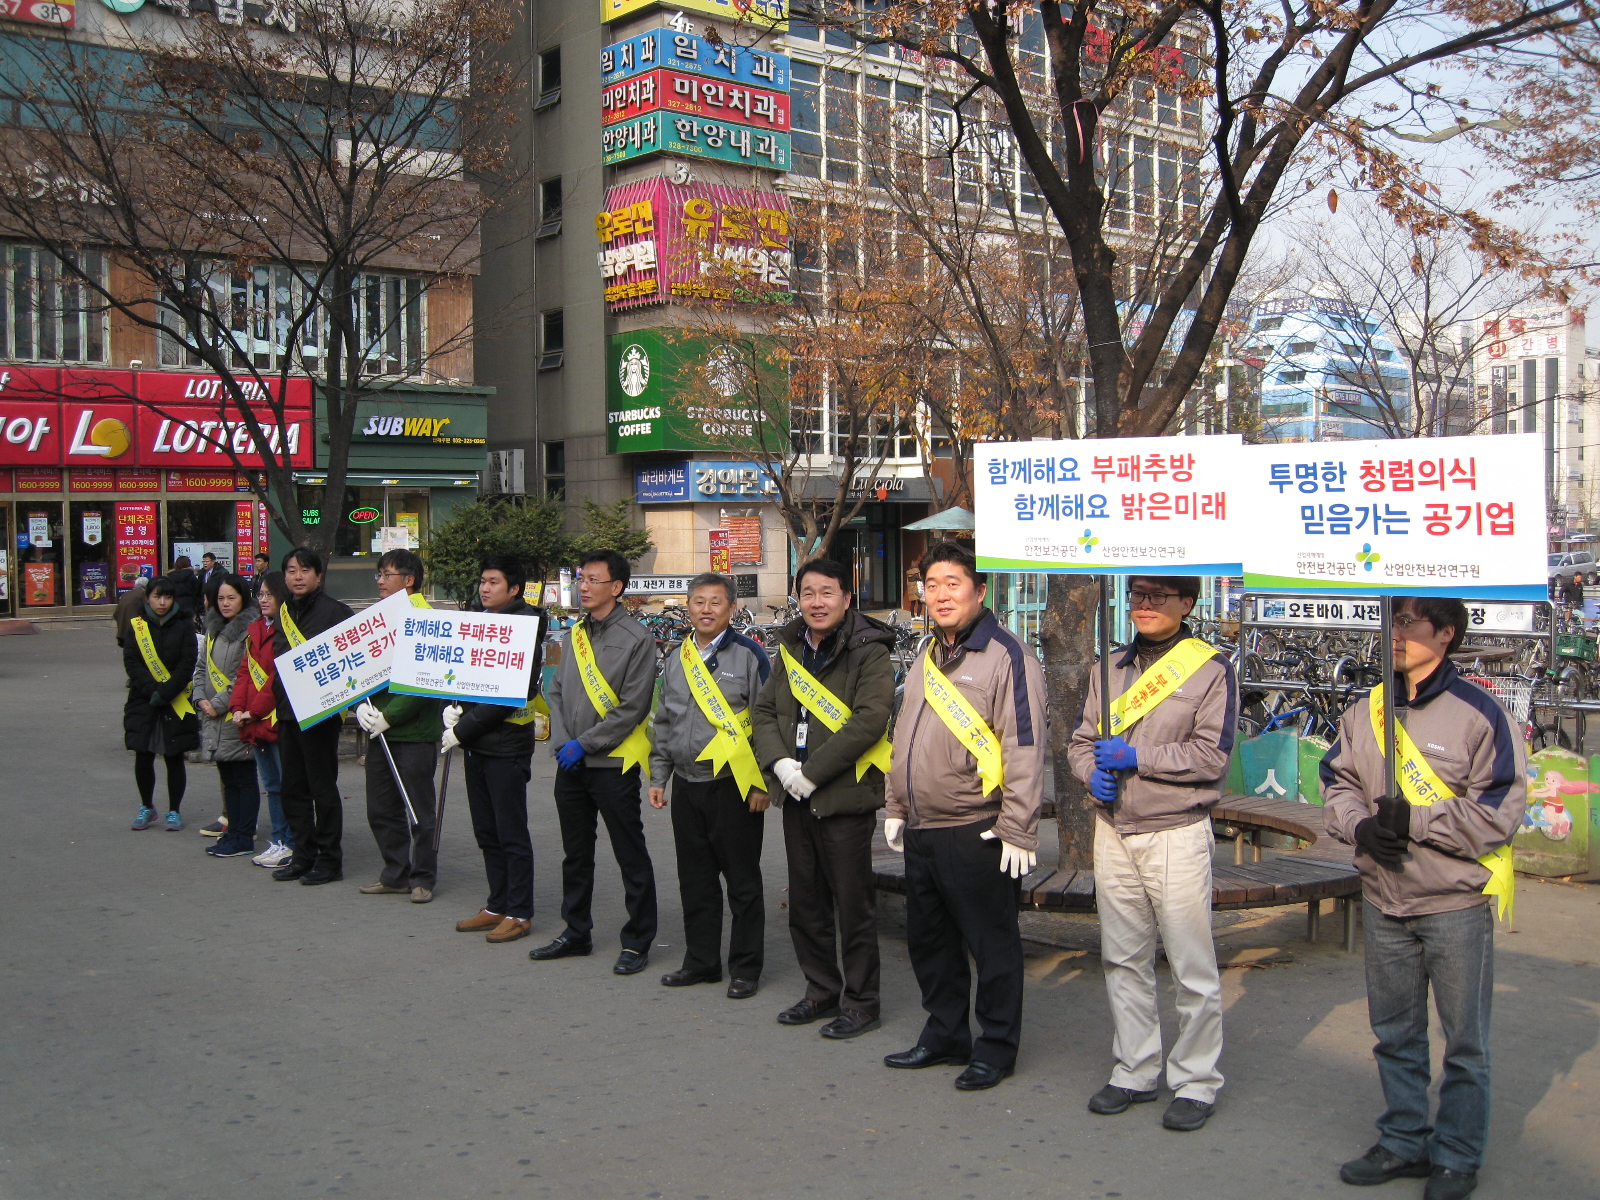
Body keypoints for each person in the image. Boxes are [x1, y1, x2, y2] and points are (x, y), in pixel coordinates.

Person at [1322, 596, 1526, 1200]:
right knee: (1394, 1033)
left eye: (1407, 622)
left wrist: (1413, 822)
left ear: (1446, 634)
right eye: (1392, 620)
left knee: (1464, 1042)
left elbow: (1497, 813)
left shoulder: (1481, 714)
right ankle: (1403, 1139)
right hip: (1383, 900)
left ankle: (1458, 1154)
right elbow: (1339, 782)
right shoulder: (1366, 710)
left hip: (1454, 906)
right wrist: (1359, 827)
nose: (1395, 632)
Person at [1067, 575, 1235, 1132]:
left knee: (1191, 964)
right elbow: (1080, 741)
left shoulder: (1211, 670)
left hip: (1176, 831)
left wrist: (1138, 755)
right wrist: (1093, 775)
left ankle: (1195, 1079)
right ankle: (1134, 1068)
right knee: (1122, 958)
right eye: (1137, 595)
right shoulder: (1106, 668)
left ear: (1188, 604)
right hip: (1113, 829)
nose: (1144, 606)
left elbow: (1211, 756)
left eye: (1159, 596)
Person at [881, 544, 1047, 1091]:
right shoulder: (928, 651)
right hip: (924, 827)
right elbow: (904, 734)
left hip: (977, 826)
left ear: (979, 591)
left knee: (991, 944)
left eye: (953, 583)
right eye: (932, 584)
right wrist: (896, 805)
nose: (941, 595)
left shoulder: (1008, 656)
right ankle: (946, 1033)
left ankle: (995, 1047)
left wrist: (1019, 827)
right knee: (930, 941)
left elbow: (1024, 744)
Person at [752, 557, 895, 1040]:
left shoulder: (869, 649)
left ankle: (861, 1002)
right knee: (807, 902)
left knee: (853, 906)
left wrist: (811, 773)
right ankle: (820, 991)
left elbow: (871, 719)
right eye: (808, 593)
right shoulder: (788, 646)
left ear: (847, 598)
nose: (817, 602)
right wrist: (781, 766)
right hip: (793, 795)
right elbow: (765, 711)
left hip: (844, 798)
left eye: (827, 592)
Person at [531, 549, 658, 973]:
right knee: (575, 853)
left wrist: (585, 744)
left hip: (613, 765)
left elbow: (633, 707)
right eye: (580, 579)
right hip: (571, 765)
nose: (582, 587)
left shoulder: (638, 639)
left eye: (592, 580)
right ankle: (575, 932)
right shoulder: (573, 636)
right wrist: (566, 743)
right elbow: (557, 691)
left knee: (629, 852)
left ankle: (638, 940)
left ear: (616, 587)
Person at [647, 572, 772, 998]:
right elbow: (663, 720)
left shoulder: (751, 656)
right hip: (686, 784)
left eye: (715, 602)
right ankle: (701, 962)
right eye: (698, 601)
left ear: (731, 609)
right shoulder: (676, 658)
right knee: (695, 880)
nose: (705, 609)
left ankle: (745, 968)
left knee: (742, 881)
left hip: (734, 786)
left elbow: (768, 723)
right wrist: (659, 775)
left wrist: (763, 783)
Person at [448, 555, 548, 943]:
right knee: (486, 830)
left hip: (505, 746)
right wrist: (452, 709)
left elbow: (511, 693)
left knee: (510, 832)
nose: (484, 588)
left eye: (493, 582)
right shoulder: (479, 621)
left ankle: (520, 912)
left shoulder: (523, 628)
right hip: (476, 744)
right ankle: (496, 903)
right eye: (483, 582)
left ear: (514, 589)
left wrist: (463, 730)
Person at [353, 549, 443, 904]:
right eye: (379, 574)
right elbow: (359, 671)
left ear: (409, 580)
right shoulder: (377, 620)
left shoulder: (425, 618)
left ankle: (423, 877)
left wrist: (391, 715)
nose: (379, 581)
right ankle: (395, 874)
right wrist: (361, 705)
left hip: (415, 734)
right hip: (380, 733)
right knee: (381, 808)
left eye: (387, 574)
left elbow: (426, 680)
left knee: (419, 808)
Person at [270, 547, 355, 885]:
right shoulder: (283, 612)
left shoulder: (336, 612)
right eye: (291, 570)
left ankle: (329, 860)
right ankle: (302, 856)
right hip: (288, 713)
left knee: (322, 789)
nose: (298, 576)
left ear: (319, 576)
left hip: (320, 715)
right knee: (292, 788)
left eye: (305, 570)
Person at [122, 576, 199, 831]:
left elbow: (188, 663)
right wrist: (151, 689)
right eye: (157, 597)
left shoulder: (185, 625)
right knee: (143, 755)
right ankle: (147, 806)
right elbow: (132, 662)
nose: (162, 602)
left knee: (174, 756)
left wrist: (165, 692)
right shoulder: (137, 626)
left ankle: (174, 810)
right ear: (148, 598)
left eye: (167, 597)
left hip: (175, 700)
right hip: (143, 701)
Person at [192, 574, 261, 858]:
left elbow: (243, 676)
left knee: (243, 777)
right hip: (211, 715)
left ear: (243, 597)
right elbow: (200, 668)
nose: (225, 603)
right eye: (221, 598)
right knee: (227, 777)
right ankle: (232, 832)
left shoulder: (251, 630)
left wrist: (218, 703)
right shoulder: (213, 630)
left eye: (232, 597)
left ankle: (244, 835)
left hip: (236, 715)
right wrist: (199, 697)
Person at [233, 572, 295, 868]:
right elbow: (245, 672)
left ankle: (290, 841)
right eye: (260, 594)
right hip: (253, 720)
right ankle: (279, 839)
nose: (263, 599)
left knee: (286, 783)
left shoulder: (287, 630)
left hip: (274, 718)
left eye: (269, 594)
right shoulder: (255, 628)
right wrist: (236, 707)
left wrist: (252, 711)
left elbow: (277, 677)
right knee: (271, 784)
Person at [113, 576, 148, 647]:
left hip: (123, 632)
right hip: (137, 632)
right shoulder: (143, 595)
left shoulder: (125, 594)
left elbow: (116, 613)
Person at [169, 555, 202, 626]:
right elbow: (198, 592)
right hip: (189, 605)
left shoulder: (170, 577)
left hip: (174, 605)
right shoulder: (192, 577)